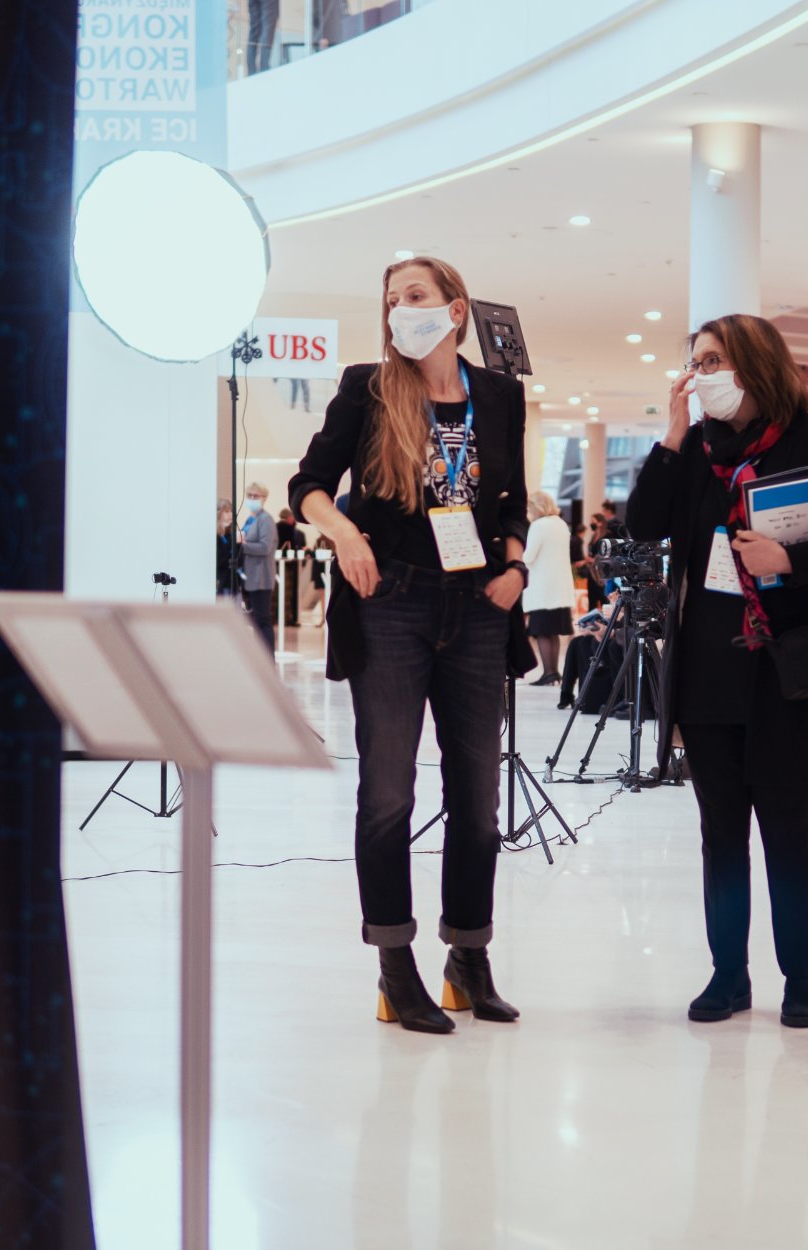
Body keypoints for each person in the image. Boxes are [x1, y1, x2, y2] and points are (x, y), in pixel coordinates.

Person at [288, 255, 529, 1035]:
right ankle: (396, 969)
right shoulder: (368, 386)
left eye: (416, 296)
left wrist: (518, 563)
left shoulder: (498, 394)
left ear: (455, 309)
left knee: (479, 802)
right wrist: (346, 532)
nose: (401, 310)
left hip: (480, 603)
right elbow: (308, 485)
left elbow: (513, 499)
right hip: (389, 600)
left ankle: (469, 958)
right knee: (389, 794)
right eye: (391, 299)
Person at [625, 314, 808, 1028]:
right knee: (720, 830)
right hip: (708, 667)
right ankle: (727, 974)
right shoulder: (692, 447)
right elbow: (642, 525)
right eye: (697, 362)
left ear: (754, 364)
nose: (704, 374)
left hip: (789, 666)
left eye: (715, 359)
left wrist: (792, 560)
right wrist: (669, 431)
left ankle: (801, 979)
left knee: (789, 829)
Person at [521, 490, 575, 685]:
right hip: (559, 587)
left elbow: (529, 556)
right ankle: (553, 672)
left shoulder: (538, 526)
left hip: (542, 587)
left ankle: (548, 673)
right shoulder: (561, 524)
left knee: (542, 630)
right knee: (552, 632)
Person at [238, 483, 277, 649]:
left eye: (256, 496)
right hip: (249, 577)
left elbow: (265, 547)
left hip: (261, 578)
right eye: (250, 496)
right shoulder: (250, 519)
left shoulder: (265, 520)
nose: (252, 499)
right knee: (254, 620)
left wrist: (241, 545)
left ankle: (268, 661)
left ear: (264, 499)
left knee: (262, 621)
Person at [215, 498, 236, 597]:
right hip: (220, 585)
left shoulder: (229, 535)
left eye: (231, 512)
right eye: (226, 512)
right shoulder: (215, 536)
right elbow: (219, 560)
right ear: (219, 513)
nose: (230, 515)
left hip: (232, 584)